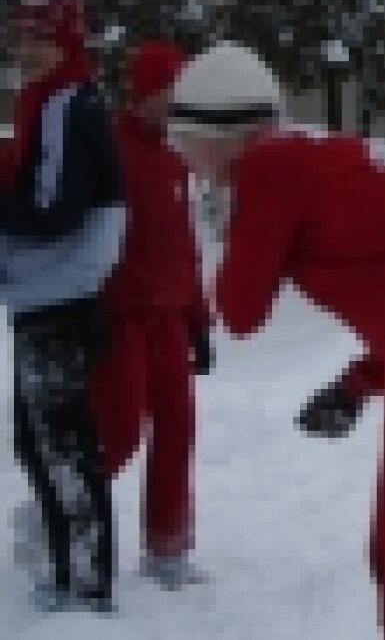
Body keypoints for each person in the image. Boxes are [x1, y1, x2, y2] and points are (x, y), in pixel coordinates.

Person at [167, 42, 385, 639]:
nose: (181, 156)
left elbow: (239, 310)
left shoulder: (268, 168)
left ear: (221, 133)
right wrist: (359, 384)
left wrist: (240, 227)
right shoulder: (320, 157)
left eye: (184, 139)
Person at [0, 0, 125, 611]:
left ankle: (88, 588)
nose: (25, 50)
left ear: (67, 42)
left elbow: (55, 208)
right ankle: (64, 574)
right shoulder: (48, 102)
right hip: (44, 291)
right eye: (20, 38)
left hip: (60, 293)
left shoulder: (66, 103)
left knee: (64, 446)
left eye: (37, 38)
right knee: (37, 440)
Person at [88, 41, 212, 589]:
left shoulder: (174, 156)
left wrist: (198, 320)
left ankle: (167, 549)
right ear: (142, 92)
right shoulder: (109, 148)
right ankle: (61, 521)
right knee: (117, 432)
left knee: (178, 430)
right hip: (120, 316)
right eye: (168, 91)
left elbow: (185, 243)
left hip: (168, 317)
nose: (176, 102)